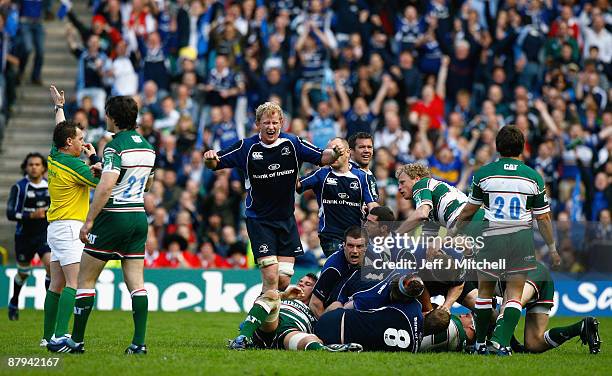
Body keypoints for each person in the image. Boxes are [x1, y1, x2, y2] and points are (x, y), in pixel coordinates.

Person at [51, 96, 155, 355]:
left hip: (113, 216)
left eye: (107, 114)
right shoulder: (148, 147)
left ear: (114, 117)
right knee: (137, 284)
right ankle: (138, 343)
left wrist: (89, 221)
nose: (105, 118)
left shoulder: (114, 147)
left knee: (85, 280)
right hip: (138, 217)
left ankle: (75, 341)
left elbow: (107, 186)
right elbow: (148, 185)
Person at [203, 102, 344, 294]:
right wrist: (209, 157)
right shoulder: (247, 147)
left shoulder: (293, 143)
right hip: (259, 220)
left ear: (282, 123)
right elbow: (214, 163)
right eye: (266, 123)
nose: (271, 127)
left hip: (286, 220)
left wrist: (335, 153)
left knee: (283, 281)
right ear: (257, 124)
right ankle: (254, 323)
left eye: (275, 123)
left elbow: (322, 157)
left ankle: (261, 314)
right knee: (270, 277)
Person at [453, 125, 561, 355]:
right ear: (522, 148)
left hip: (492, 238)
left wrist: (454, 234)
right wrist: (551, 247)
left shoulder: (484, 174)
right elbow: (543, 218)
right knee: (513, 295)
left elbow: (468, 212)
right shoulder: (534, 178)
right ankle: (500, 344)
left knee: (485, 294)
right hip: (520, 240)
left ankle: (480, 344)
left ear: (497, 146)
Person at [45, 86, 100, 351]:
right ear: (70, 143)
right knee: (75, 283)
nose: (83, 142)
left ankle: (47, 336)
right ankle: (58, 337)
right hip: (69, 226)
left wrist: (59, 108)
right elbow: (102, 180)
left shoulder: (56, 155)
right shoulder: (76, 165)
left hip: (55, 226)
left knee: (56, 284)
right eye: (80, 139)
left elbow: (61, 131)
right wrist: (94, 157)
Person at [228, 274, 362, 352]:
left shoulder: (315, 310)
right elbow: (260, 303)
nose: (302, 284)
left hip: (291, 332)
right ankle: (242, 339)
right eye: (301, 282)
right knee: (271, 294)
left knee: (310, 340)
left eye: (308, 284)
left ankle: (327, 349)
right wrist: (283, 295)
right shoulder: (285, 297)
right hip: (272, 324)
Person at [297, 137, 378, 256]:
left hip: (355, 236)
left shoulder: (362, 177)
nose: (332, 155)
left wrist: (379, 219)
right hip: (330, 235)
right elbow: (298, 185)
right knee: (342, 264)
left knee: (353, 272)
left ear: (347, 153)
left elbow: (373, 205)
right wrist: (292, 164)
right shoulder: (321, 174)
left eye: (336, 151)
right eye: (329, 152)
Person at [500, 262, 601, 355]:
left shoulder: (487, 268)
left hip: (527, 273)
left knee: (508, 307)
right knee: (534, 344)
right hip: (541, 277)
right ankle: (582, 327)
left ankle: (500, 345)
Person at [6, 153, 51, 322]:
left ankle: (50, 306)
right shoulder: (20, 187)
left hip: (44, 235)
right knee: (23, 273)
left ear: (43, 168)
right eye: (31, 164)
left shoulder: (49, 186)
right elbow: (11, 213)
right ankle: (14, 301)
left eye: (37, 164)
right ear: (26, 167)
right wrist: (31, 215)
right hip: (24, 236)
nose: (34, 167)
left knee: (51, 266)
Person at [308, 226, 367, 318]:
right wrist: (326, 326)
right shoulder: (333, 268)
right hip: (335, 312)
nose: (355, 251)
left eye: (359, 246)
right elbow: (315, 303)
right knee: (336, 306)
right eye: (350, 246)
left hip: (357, 305)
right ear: (344, 245)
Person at [348, 132, 378, 202]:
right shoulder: (347, 172)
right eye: (362, 147)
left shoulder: (369, 173)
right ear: (351, 151)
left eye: (369, 147)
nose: (366, 150)